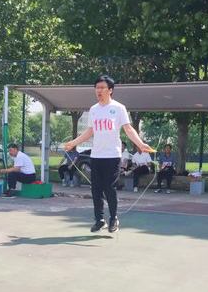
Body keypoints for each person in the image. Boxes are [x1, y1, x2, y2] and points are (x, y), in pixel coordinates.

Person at [64, 75, 152, 233]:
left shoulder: (119, 108)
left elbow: (128, 129)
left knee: (108, 187)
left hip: (112, 156)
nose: (99, 90)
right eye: (97, 88)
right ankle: (99, 220)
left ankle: (113, 219)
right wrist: (74, 143)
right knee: (95, 189)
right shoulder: (93, 109)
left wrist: (140, 143)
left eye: (102, 87)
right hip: (96, 156)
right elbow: (90, 131)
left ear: (110, 90)